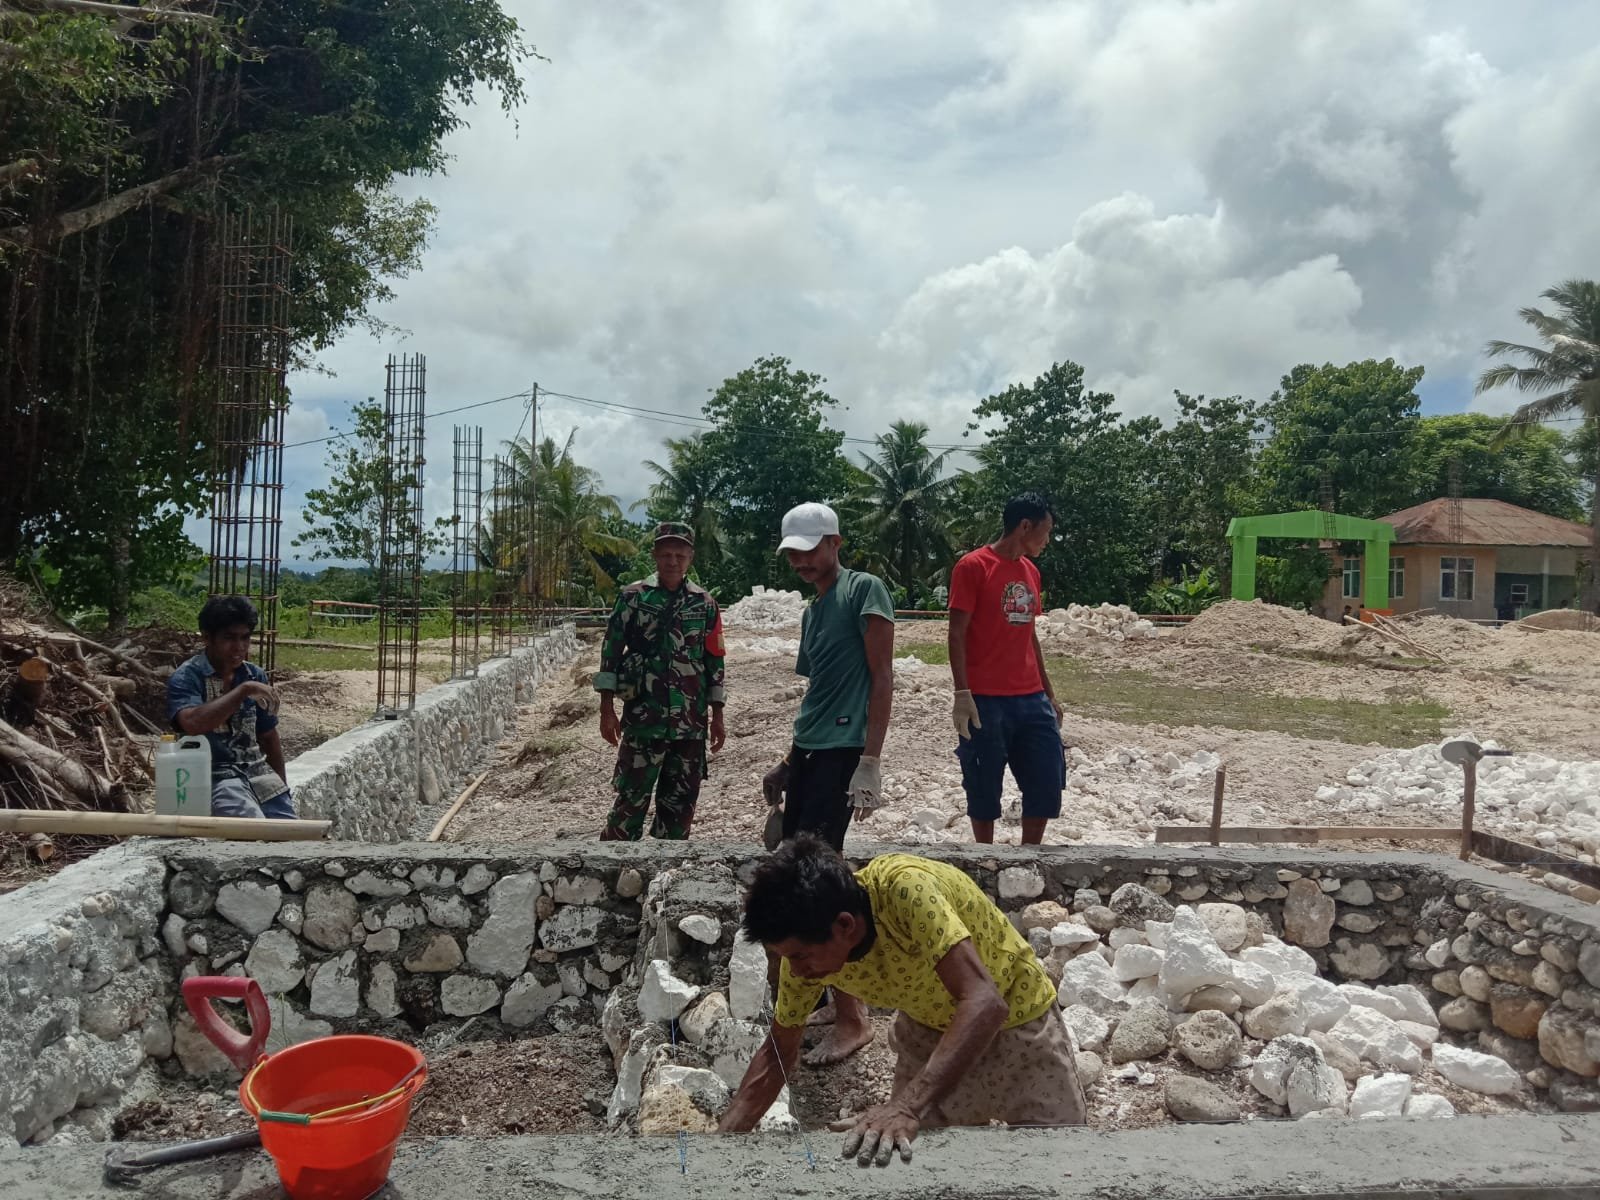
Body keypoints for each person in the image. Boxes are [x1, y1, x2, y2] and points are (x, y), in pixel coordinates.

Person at [718, 835, 1086, 1165]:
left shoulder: (905, 890)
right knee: (917, 1165)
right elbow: (778, 1054)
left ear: (845, 925)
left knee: (1059, 1161)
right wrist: (720, 1149)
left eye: (800, 956)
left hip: (1020, 1022)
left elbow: (985, 1003)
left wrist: (908, 1106)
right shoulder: (804, 958)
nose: (796, 971)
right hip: (928, 1030)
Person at [761, 500, 894, 1065]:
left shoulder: (865, 591)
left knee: (820, 881)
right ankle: (824, 995)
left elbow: (882, 676)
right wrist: (788, 763)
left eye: (810, 551)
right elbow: (816, 695)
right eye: (793, 555)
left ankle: (853, 1017)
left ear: (835, 543)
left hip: (843, 754)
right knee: (801, 872)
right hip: (812, 752)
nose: (801, 562)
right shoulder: (812, 612)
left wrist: (871, 759)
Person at [593, 521, 726, 840]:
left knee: (680, 806)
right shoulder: (633, 598)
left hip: (690, 723)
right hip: (643, 719)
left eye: (680, 555)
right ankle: (613, 864)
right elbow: (611, 652)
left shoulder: (704, 602)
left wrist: (718, 715)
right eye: (666, 554)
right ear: (655, 555)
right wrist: (606, 709)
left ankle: (668, 866)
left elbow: (714, 660)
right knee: (629, 801)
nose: (673, 561)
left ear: (690, 557)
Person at [947, 492, 1065, 845]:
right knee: (983, 783)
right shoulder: (972, 567)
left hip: (1030, 697)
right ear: (1025, 526)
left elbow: (1030, 635)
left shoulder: (1031, 571)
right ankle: (985, 856)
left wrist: (1049, 693)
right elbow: (956, 633)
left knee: (1046, 778)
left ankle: (1031, 854)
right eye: (1046, 531)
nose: (1047, 540)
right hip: (985, 699)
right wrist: (962, 693)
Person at [167, 595, 294, 819]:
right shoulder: (188, 677)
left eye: (245, 638)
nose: (239, 647)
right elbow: (192, 723)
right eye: (229, 638)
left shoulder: (254, 675)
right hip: (213, 777)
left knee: (290, 829)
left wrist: (282, 788)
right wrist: (242, 691)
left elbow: (268, 736)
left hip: (257, 774)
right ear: (207, 637)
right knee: (252, 829)